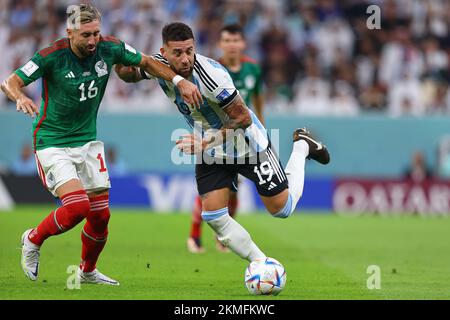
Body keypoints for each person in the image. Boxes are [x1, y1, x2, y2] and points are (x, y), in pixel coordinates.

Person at [0, 4, 201, 285]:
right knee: (77, 208)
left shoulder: (110, 47)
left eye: (96, 33)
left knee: (101, 217)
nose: (93, 40)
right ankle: (32, 239)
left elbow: (146, 61)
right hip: (53, 142)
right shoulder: (50, 56)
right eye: (86, 35)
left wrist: (178, 80)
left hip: (87, 142)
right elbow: (10, 82)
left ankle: (87, 271)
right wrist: (19, 97)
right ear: (69, 32)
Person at [116, 22, 330, 264]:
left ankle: (302, 146)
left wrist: (207, 142)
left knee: (282, 209)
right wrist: (117, 57)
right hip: (211, 150)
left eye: (189, 50)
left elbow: (243, 117)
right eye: (178, 52)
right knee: (215, 215)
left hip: (247, 145)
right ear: (164, 52)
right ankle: (262, 263)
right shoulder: (160, 66)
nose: (186, 59)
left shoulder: (212, 75)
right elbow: (130, 74)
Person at [187, 24, 265, 253]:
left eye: (235, 41)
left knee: (233, 189)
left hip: (242, 137)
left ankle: (224, 238)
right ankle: (194, 236)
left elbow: (258, 103)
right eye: (227, 41)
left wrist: (261, 130)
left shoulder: (253, 70)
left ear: (243, 44)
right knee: (211, 189)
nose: (231, 45)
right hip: (214, 136)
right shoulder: (212, 69)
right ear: (221, 44)